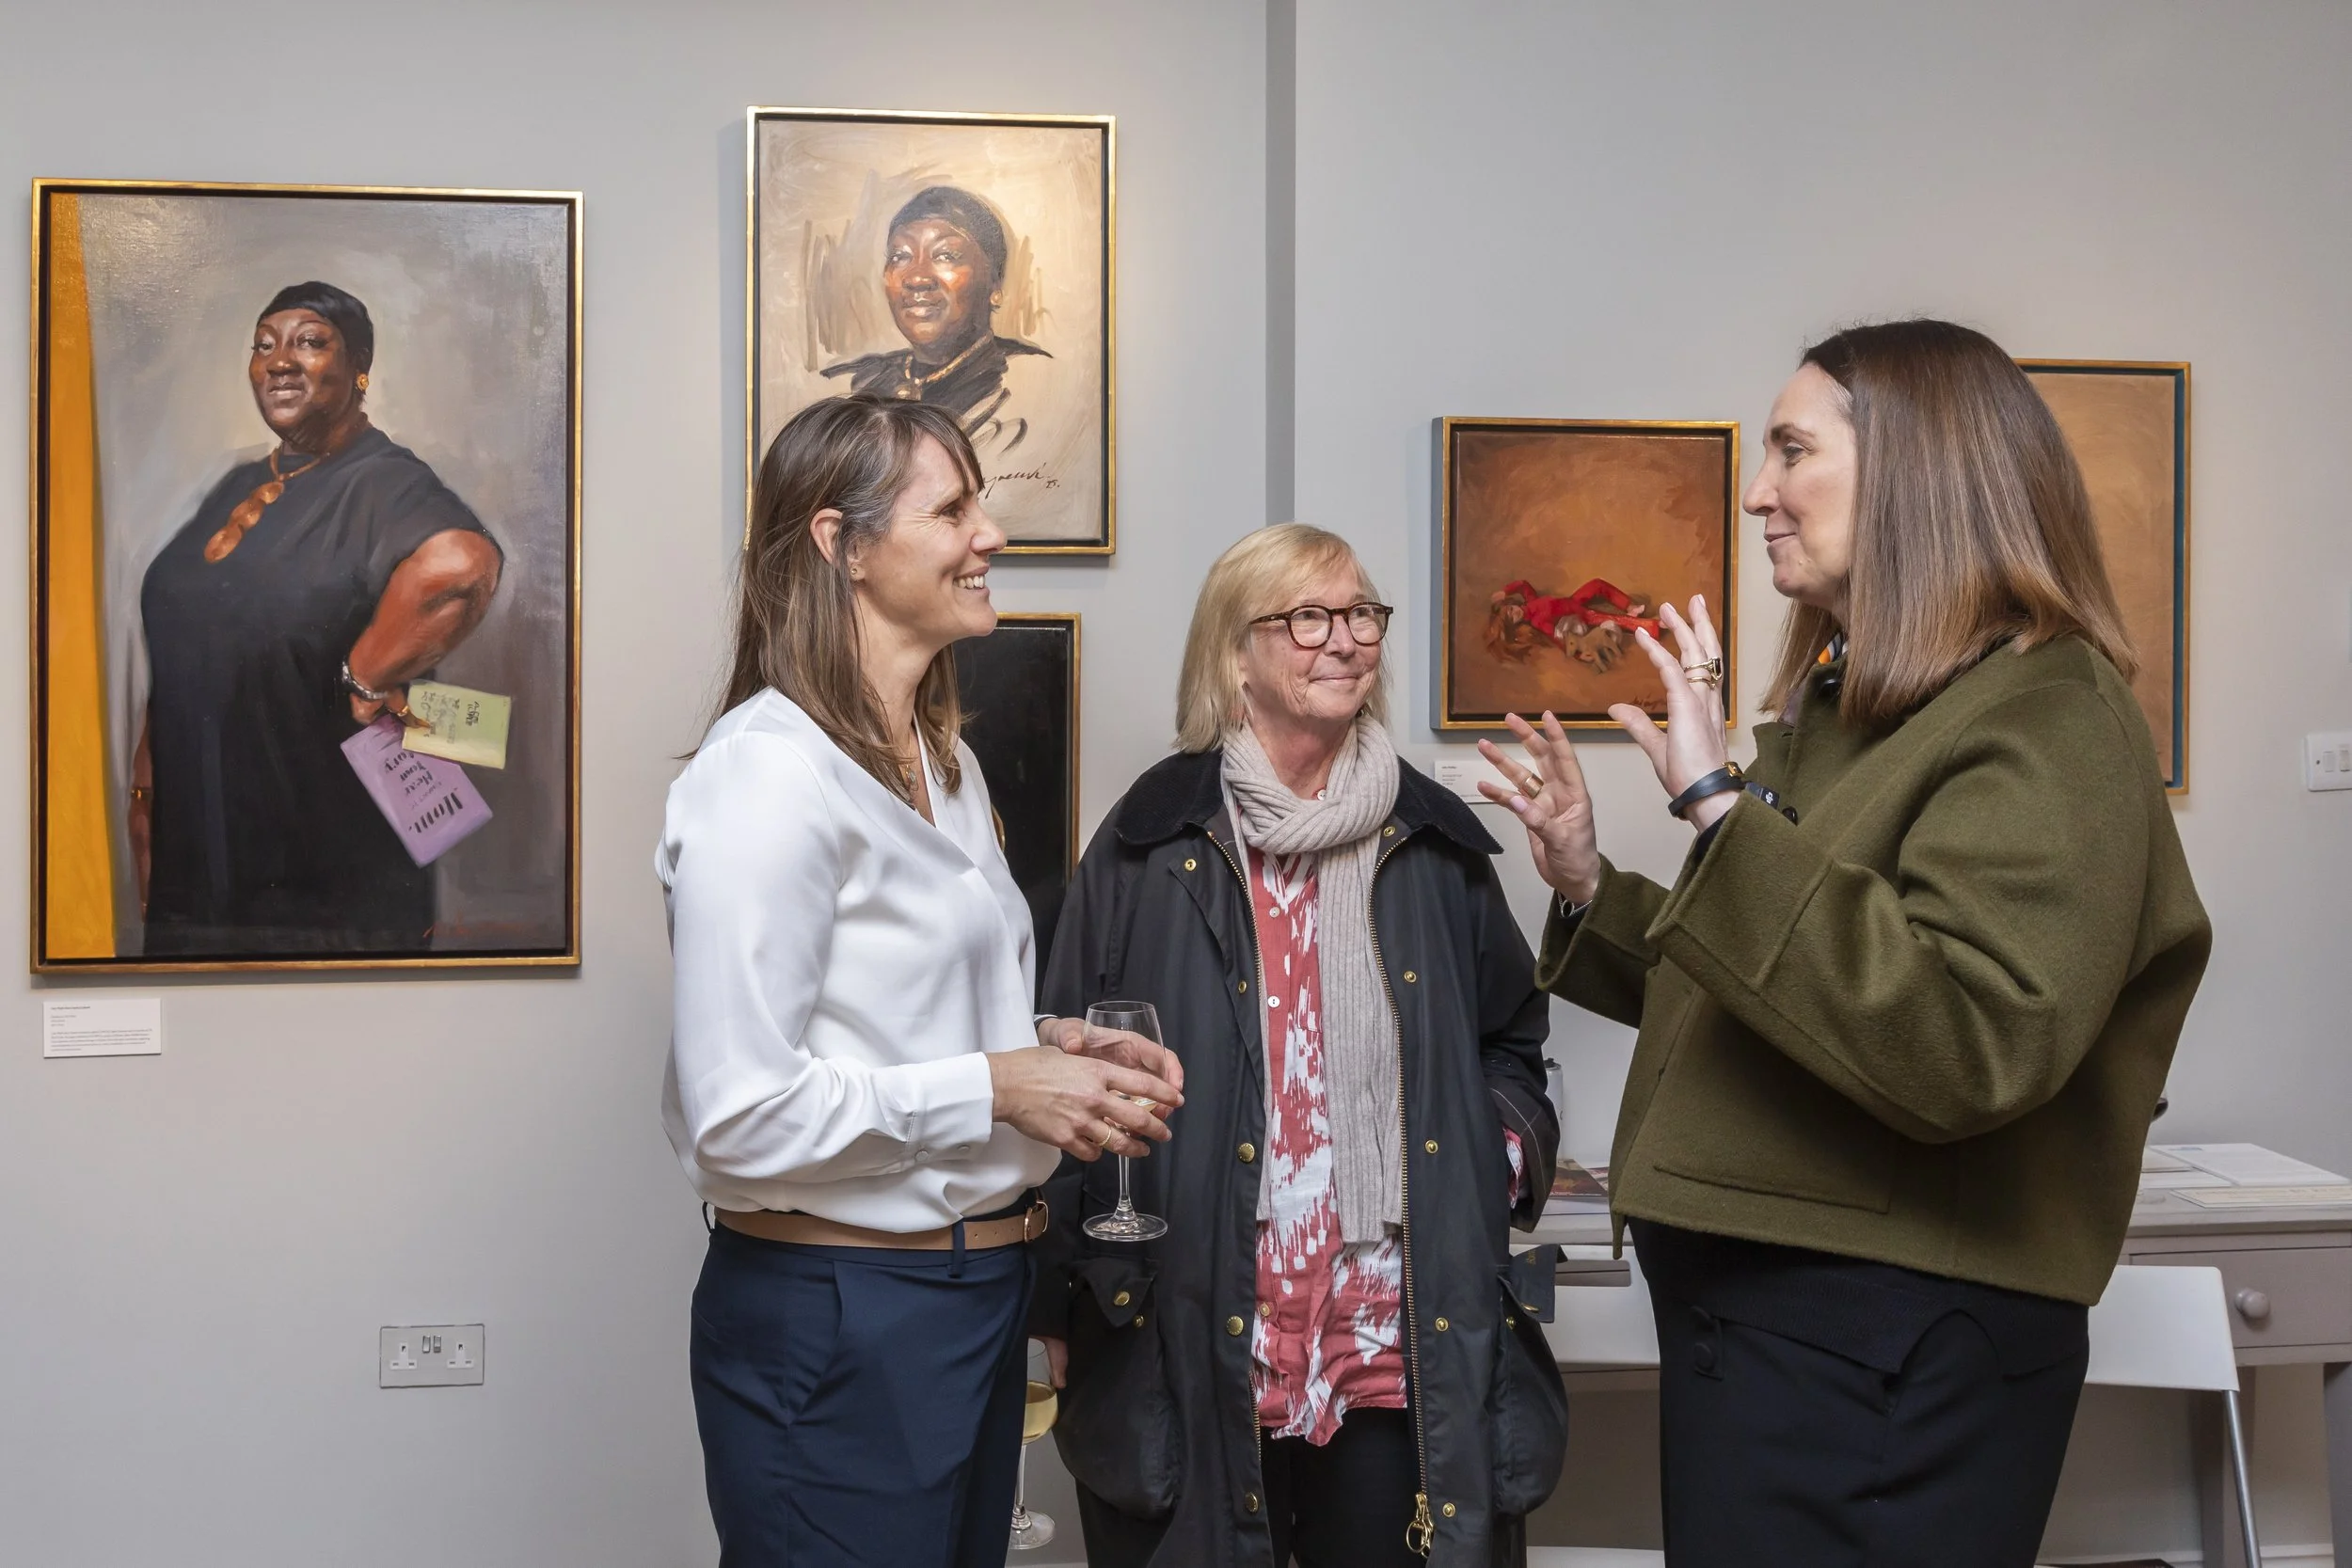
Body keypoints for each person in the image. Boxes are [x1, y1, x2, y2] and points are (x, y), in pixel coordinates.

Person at [1481, 320, 2211, 1567]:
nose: (1756, 491)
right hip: (1786, 1323)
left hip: (1888, 1334)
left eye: (1790, 450)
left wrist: (1719, 805)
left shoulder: (2050, 717)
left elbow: (1963, 1040)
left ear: (1917, 473)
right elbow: (1775, 990)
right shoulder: (1854, 709)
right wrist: (1590, 882)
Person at [658, 394, 1186, 1568]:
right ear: (840, 545)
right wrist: (999, 1085)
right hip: (844, 1312)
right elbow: (735, 1118)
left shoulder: (940, 762)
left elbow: (895, 1015)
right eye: (952, 508)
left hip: (973, 1298)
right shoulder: (765, 778)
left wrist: (1049, 1050)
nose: (989, 534)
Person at [1032, 523, 1564, 1568]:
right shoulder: (1147, 841)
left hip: (1394, 1336)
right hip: (1194, 1326)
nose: (1346, 639)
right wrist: (1055, 1290)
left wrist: (1492, 1156)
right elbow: (1062, 1069)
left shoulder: (1435, 837)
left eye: (1361, 614)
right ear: (1234, 653)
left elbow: (1513, 1037)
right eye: (1308, 616)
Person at [134, 280, 504, 957]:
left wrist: (367, 676)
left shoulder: (382, 480)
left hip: (321, 866)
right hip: (199, 854)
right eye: (264, 345)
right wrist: (145, 789)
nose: (279, 360)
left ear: (360, 369)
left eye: (308, 342)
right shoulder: (237, 484)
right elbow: (188, 633)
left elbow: (462, 563)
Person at [822, 184, 1048, 456]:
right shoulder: (851, 384)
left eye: (945, 256)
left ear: (994, 285)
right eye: (900, 257)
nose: (916, 278)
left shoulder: (1034, 388)